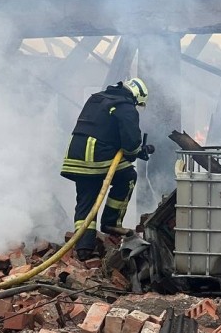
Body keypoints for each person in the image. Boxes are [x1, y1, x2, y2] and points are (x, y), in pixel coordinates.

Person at [61, 78, 155, 261]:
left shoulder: (97, 98)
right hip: (98, 157)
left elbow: (102, 128)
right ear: (136, 97)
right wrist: (138, 151)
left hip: (76, 156)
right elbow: (130, 143)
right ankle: (111, 223)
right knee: (128, 176)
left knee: (87, 200)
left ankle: (84, 249)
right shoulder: (126, 107)